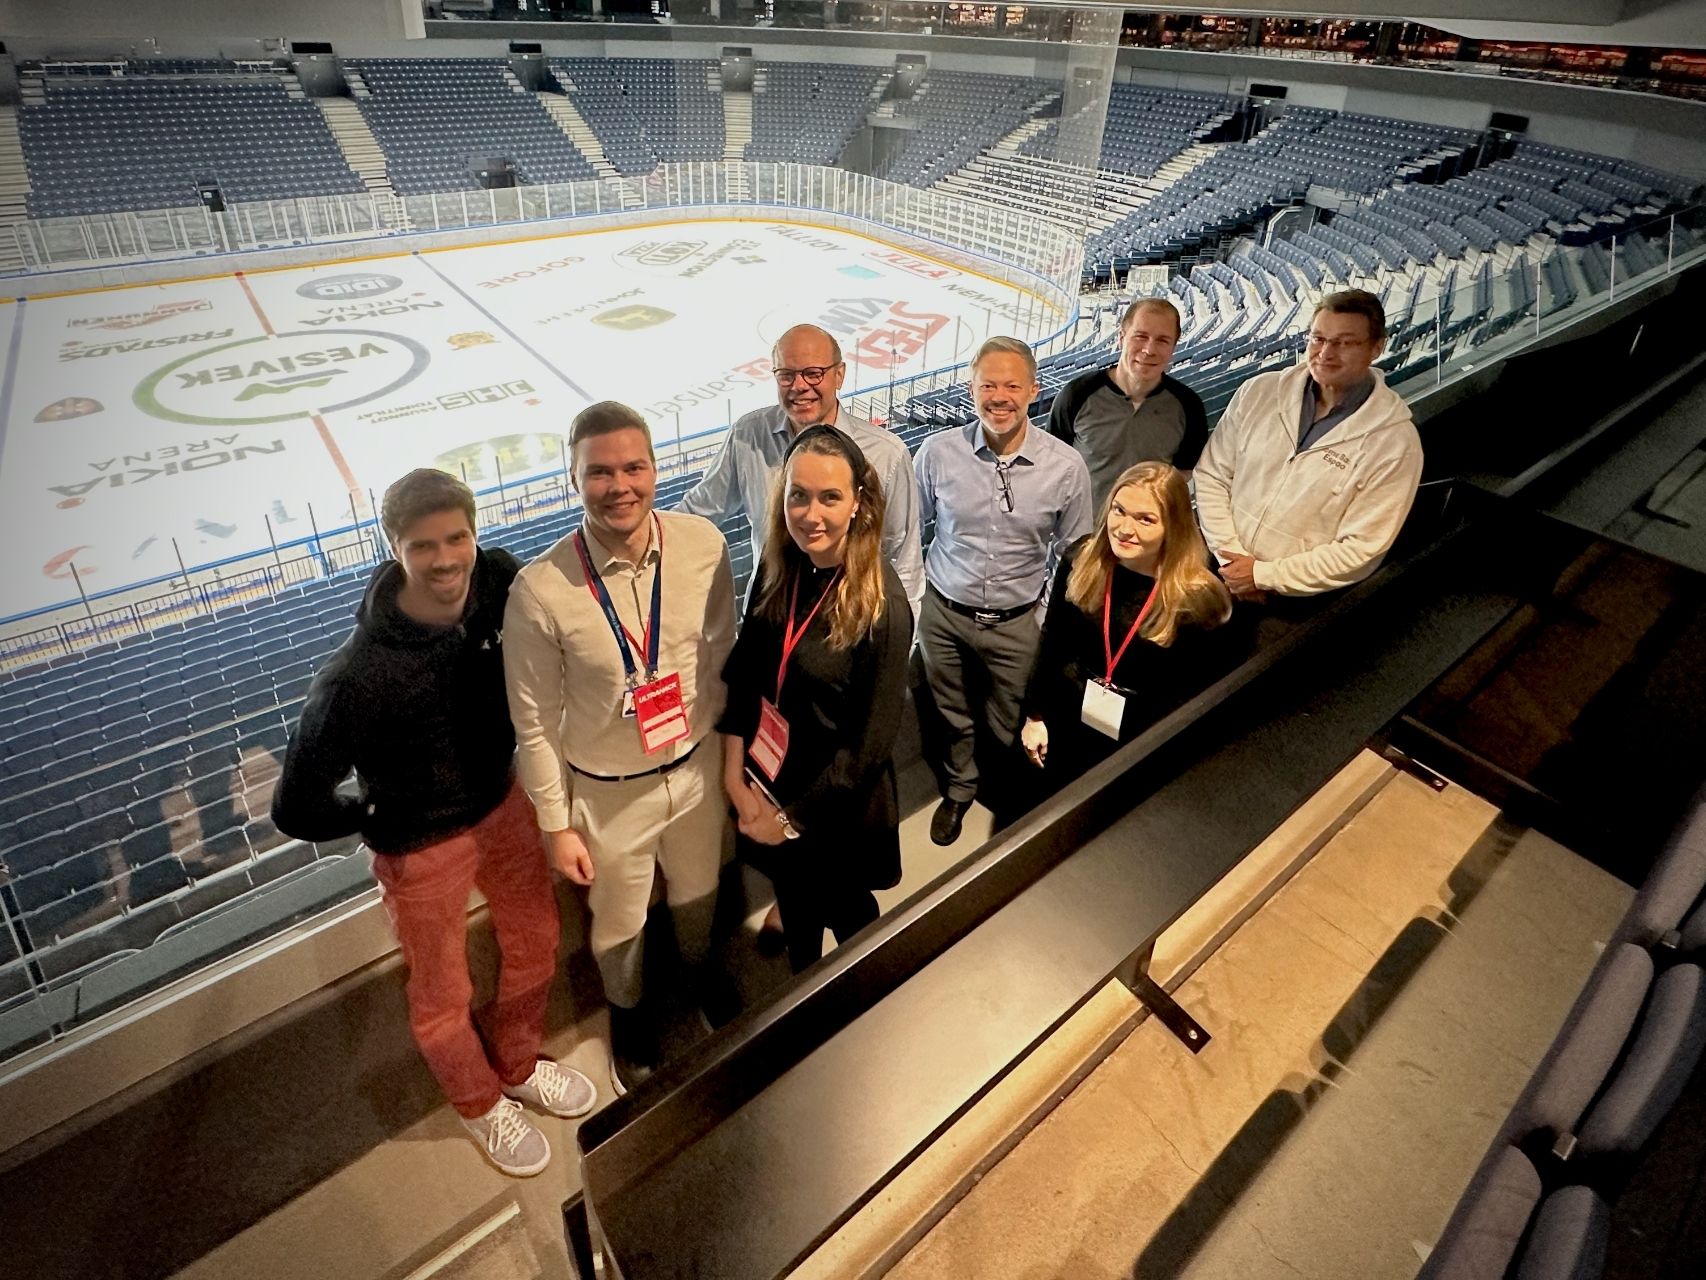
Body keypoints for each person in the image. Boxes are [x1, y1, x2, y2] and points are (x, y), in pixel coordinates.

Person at [272, 469, 595, 1180]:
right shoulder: (353, 679)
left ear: (475, 534)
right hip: (421, 847)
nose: (447, 558)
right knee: (442, 995)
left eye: (458, 539)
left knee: (537, 940)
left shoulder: (499, 583)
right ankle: (479, 1106)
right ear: (393, 548)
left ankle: (517, 1063)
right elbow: (295, 805)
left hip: (502, 804)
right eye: (424, 546)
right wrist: (376, 813)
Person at [504, 402, 738, 1096]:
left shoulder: (704, 547)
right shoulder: (540, 591)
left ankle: (697, 980)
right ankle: (629, 1018)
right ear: (574, 478)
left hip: (694, 768)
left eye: (633, 467)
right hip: (608, 791)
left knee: (699, 893)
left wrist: (730, 763)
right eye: (599, 472)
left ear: (655, 469)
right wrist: (555, 824)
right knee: (619, 922)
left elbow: (722, 658)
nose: (619, 485)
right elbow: (535, 722)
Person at [716, 425, 913, 973]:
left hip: (835, 807)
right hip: (770, 782)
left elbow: (865, 751)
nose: (811, 514)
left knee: (847, 914)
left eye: (830, 497)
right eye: (798, 495)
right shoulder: (780, 568)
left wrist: (786, 822)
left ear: (859, 504)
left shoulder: (883, 607)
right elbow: (746, 674)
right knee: (798, 908)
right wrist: (736, 779)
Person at [913, 337, 1093, 845]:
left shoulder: (1065, 467)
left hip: (1019, 621)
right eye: (987, 384)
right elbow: (909, 532)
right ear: (971, 389)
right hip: (943, 614)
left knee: (1018, 719)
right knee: (950, 712)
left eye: (1012, 384)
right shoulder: (936, 453)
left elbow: (1078, 557)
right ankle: (960, 788)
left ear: (1034, 390)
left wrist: (1051, 622)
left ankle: (1016, 809)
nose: (999, 396)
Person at [678, 322, 924, 619]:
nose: (799, 386)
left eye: (813, 373)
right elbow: (699, 510)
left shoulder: (887, 454)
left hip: (848, 624)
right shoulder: (748, 435)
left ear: (839, 375)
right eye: (787, 375)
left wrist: (900, 641)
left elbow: (903, 558)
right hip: (770, 619)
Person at [1193, 289, 1424, 604]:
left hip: (1296, 603)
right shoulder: (1258, 392)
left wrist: (1263, 576)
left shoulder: (1396, 444)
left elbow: (1362, 548)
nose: (1326, 353)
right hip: (1218, 569)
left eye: (1345, 342)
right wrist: (1232, 560)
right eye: (1317, 339)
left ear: (1377, 348)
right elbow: (1212, 475)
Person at [1019, 462, 1239, 790]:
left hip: (1145, 734)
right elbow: (1053, 643)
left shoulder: (1196, 595)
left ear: (1173, 527)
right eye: (1119, 510)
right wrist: (1035, 716)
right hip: (1072, 714)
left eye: (1145, 519)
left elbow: (1199, 689)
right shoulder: (1082, 560)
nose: (1124, 528)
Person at [1047, 298, 1207, 510]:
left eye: (1162, 340)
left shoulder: (1188, 406)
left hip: (1146, 538)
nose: (1149, 350)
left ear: (1173, 347)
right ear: (1122, 338)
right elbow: (1052, 461)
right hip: (1080, 536)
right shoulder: (1077, 394)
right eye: (1140, 337)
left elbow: (1185, 471)